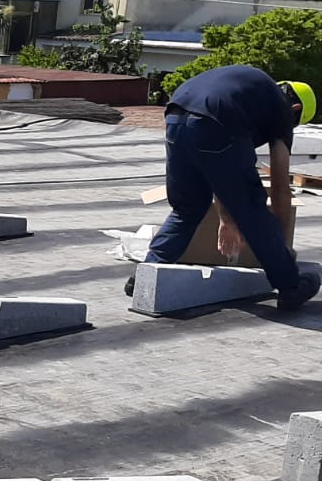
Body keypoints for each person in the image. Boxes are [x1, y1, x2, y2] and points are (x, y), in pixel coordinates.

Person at [131, 64, 320, 309]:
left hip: (176, 114)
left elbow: (221, 172)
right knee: (252, 210)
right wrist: (283, 249)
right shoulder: (281, 110)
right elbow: (280, 189)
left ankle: (145, 274)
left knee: (187, 208)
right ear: (295, 109)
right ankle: (290, 286)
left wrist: (226, 218)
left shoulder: (250, 91)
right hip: (216, 120)